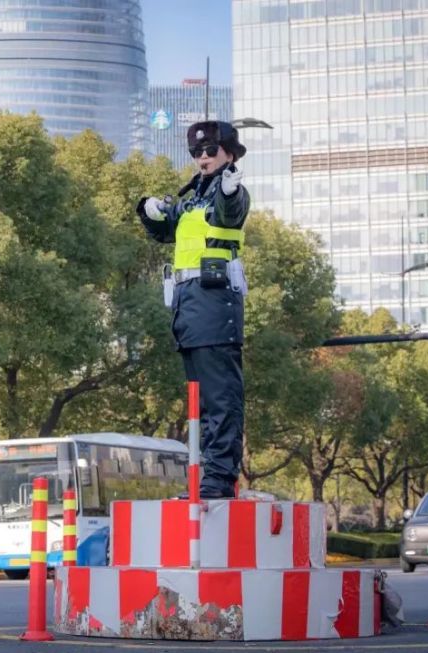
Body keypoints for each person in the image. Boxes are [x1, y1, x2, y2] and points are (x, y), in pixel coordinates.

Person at [136, 121, 250, 499]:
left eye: (211, 150)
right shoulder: (189, 202)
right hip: (187, 309)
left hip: (216, 306)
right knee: (199, 405)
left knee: (220, 398)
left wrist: (230, 192)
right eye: (197, 152)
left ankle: (218, 480)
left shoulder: (230, 192)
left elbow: (230, 213)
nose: (203, 157)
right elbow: (165, 230)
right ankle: (203, 479)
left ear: (229, 153)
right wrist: (149, 212)